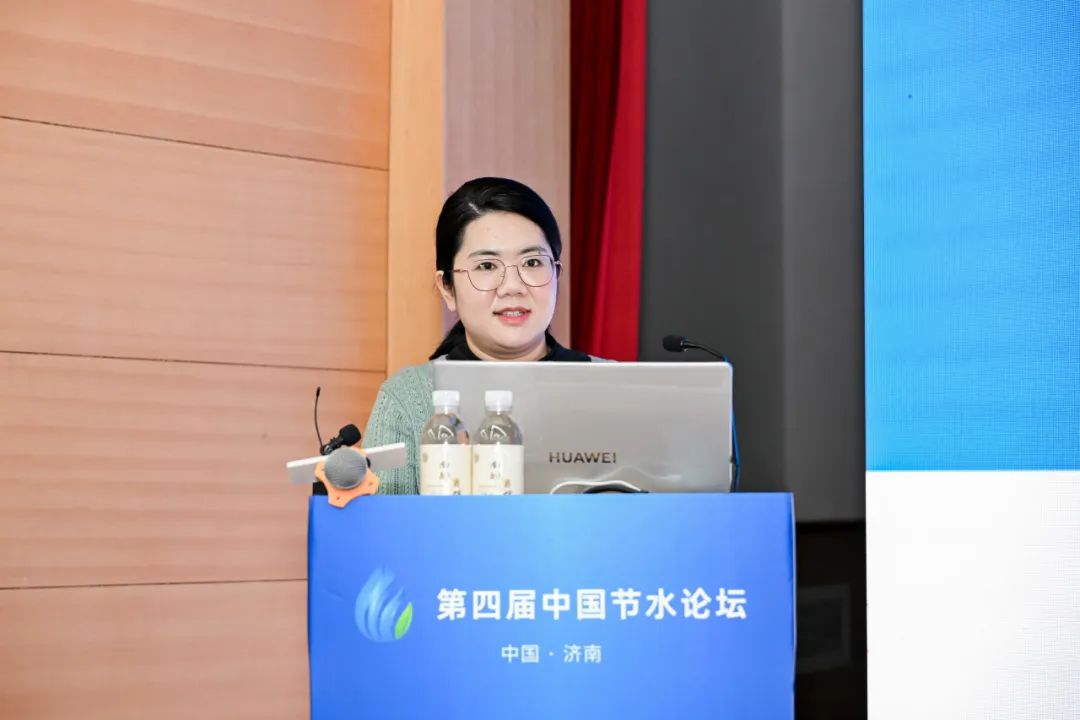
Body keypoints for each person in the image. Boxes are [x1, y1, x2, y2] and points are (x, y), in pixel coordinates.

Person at [362, 177, 601, 494]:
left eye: (532, 262)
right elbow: (381, 523)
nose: (513, 287)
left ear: (557, 273)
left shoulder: (614, 385)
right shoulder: (408, 398)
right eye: (487, 266)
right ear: (447, 288)